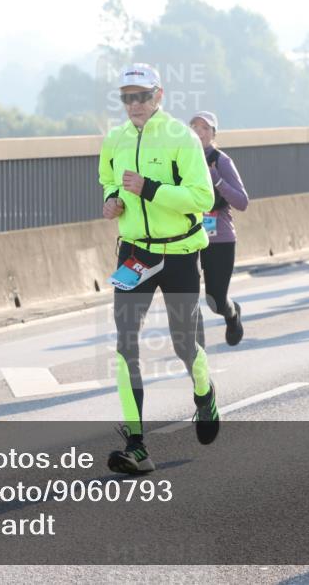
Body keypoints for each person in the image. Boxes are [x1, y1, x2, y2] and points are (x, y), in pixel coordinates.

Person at [99, 63, 220, 475]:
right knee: (125, 344)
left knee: (184, 344)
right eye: (127, 97)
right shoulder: (114, 139)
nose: (134, 104)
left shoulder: (180, 137)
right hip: (135, 254)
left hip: (180, 254)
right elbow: (108, 182)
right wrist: (112, 201)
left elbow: (202, 197)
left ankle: (204, 394)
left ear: (159, 96)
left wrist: (149, 189)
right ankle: (136, 444)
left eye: (141, 96)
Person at [189, 111, 249, 346]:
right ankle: (196, 352)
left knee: (215, 301)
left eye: (205, 128)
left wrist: (218, 179)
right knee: (187, 298)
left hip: (219, 239)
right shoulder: (181, 159)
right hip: (189, 238)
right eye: (195, 127)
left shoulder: (221, 160)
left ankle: (232, 314)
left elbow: (242, 202)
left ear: (213, 134)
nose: (199, 132)